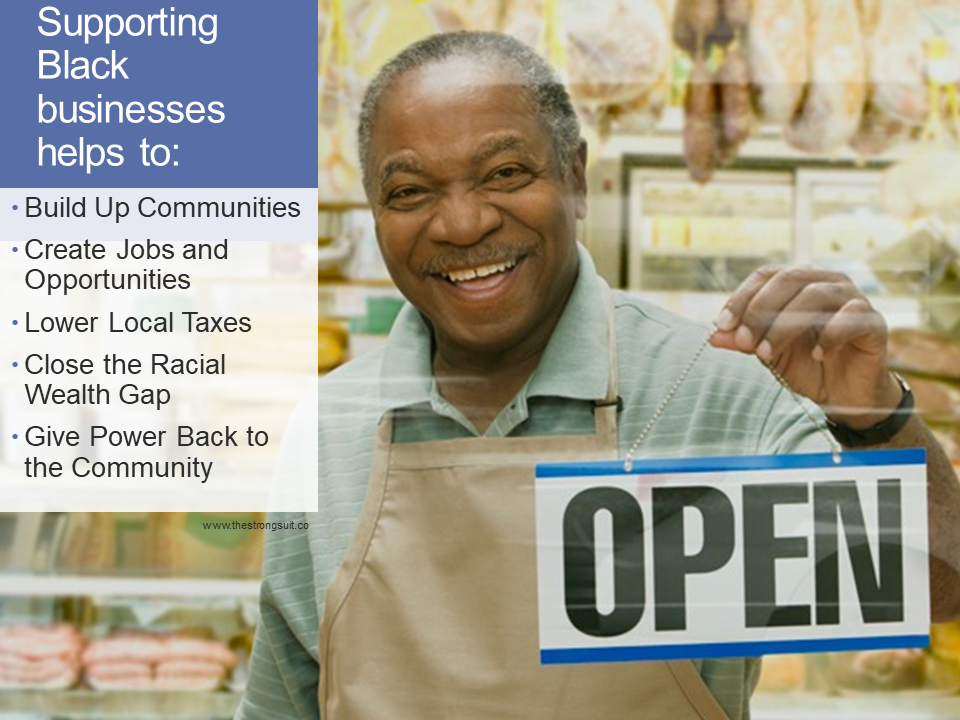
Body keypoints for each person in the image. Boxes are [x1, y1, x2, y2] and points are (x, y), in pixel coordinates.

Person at [237, 31, 960, 720]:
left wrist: (876, 417)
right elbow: (284, 700)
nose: (460, 224)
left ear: (576, 177)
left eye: (504, 173)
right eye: (409, 192)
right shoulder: (329, 428)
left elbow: (936, 587)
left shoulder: (718, 391)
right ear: (375, 211)